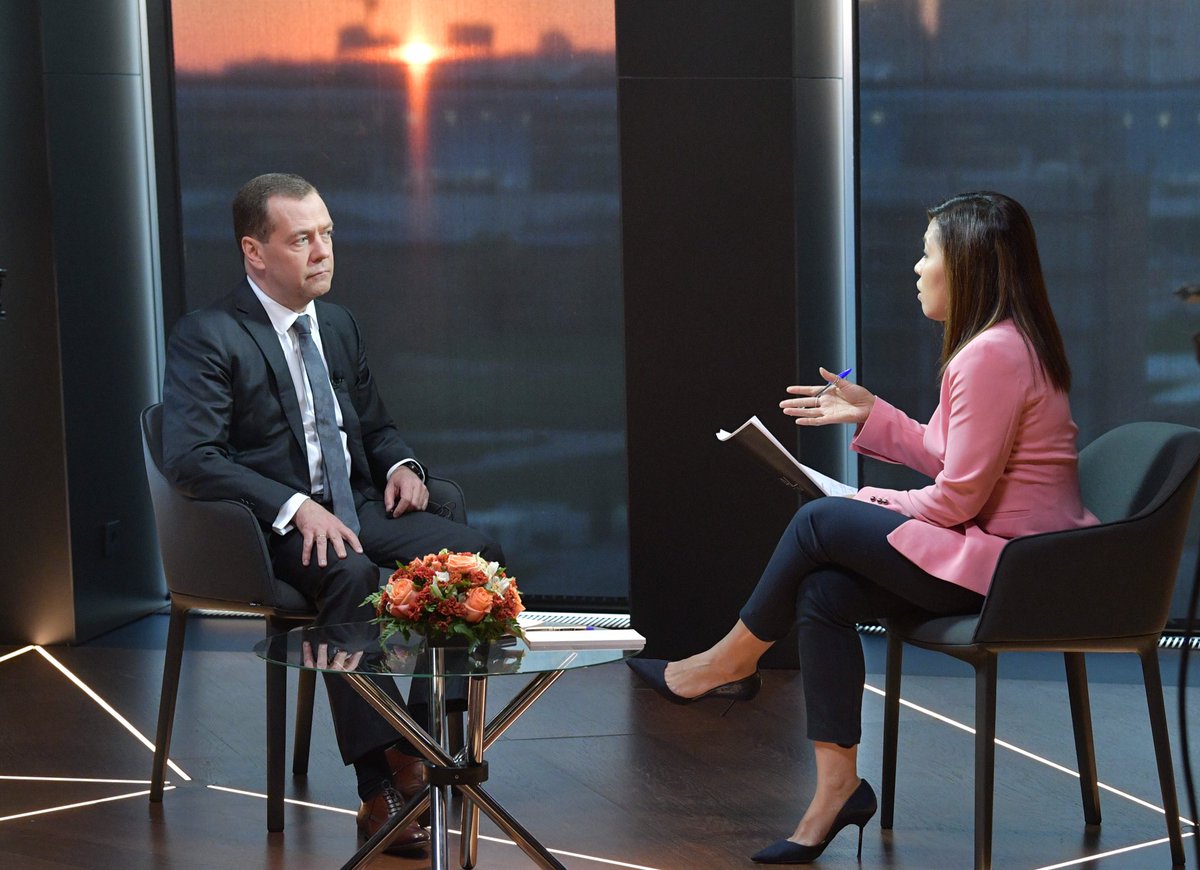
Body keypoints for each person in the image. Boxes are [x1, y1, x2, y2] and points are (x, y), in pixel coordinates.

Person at [628, 191, 1099, 864]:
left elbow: (957, 497)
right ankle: (836, 790)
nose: (917, 267)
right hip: (1002, 557)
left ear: (967, 265)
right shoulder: (1001, 345)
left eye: (928, 253)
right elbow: (953, 458)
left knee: (820, 520)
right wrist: (871, 412)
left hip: (1015, 572)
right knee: (823, 591)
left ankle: (726, 663)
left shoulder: (992, 354)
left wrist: (868, 501)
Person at [162, 172, 504, 855]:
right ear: (254, 251)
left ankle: (420, 744)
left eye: (326, 234)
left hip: (359, 507)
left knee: (475, 562)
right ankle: (380, 789)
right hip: (269, 531)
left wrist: (404, 467)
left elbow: (377, 429)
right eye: (301, 240)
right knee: (347, 573)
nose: (322, 252)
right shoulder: (209, 334)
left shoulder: (338, 324)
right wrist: (293, 506)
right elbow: (192, 457)